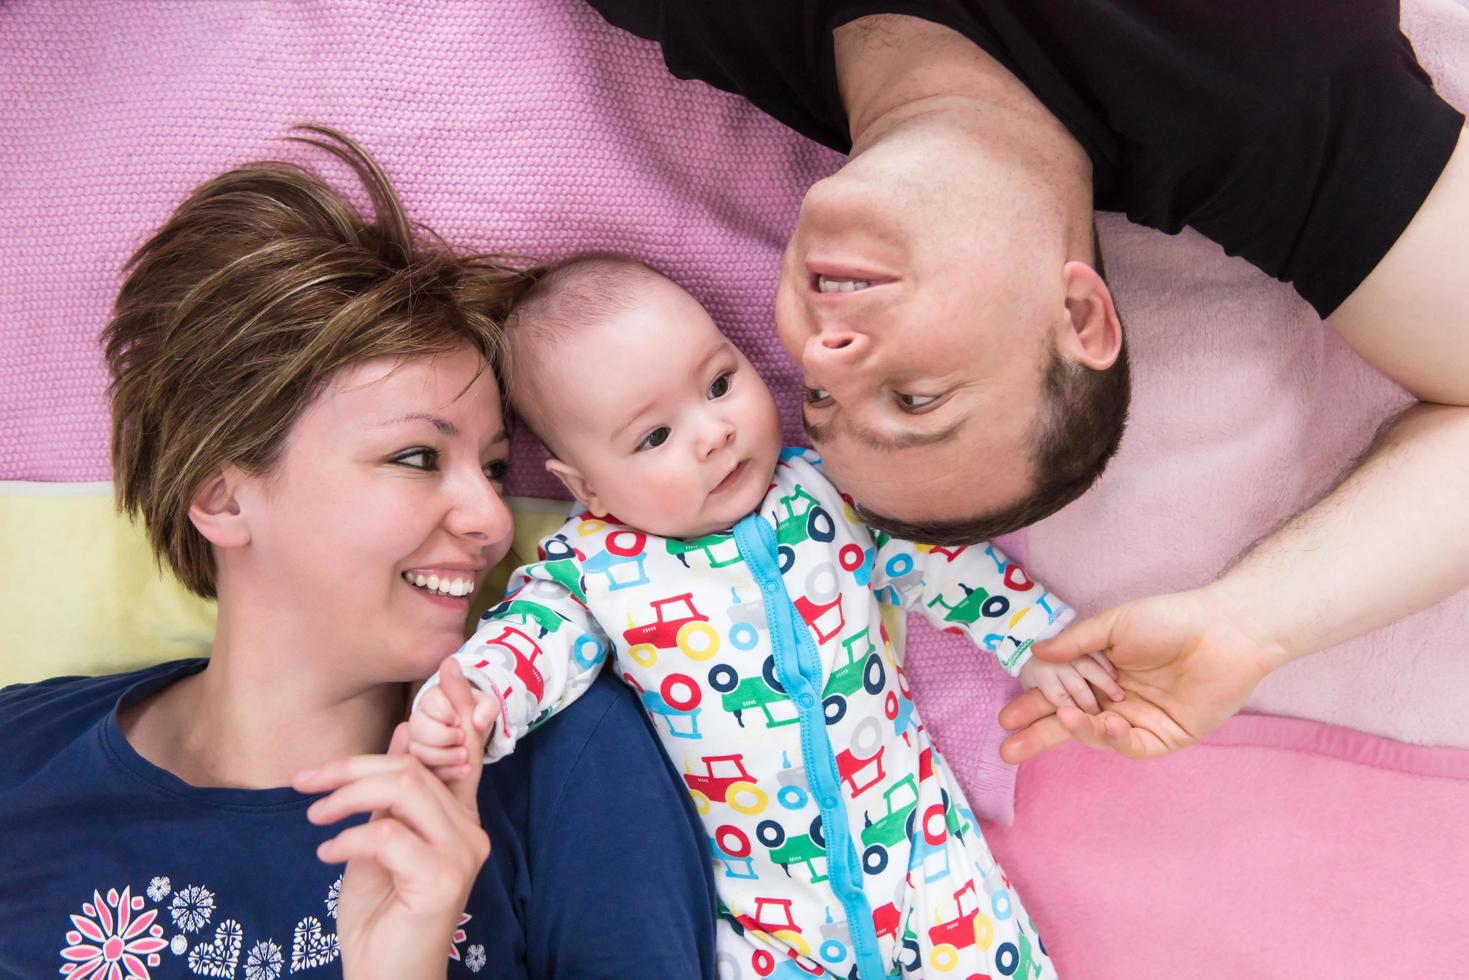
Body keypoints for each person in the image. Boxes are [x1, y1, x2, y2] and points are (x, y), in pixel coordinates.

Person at [581, 1, 1469, 765]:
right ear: (1079, 317)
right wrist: (1251, 625)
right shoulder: (1253, 103)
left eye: (819, 401)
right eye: (916, 399)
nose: (821, 358)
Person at [0, 130, 715, 979]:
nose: (490, 517)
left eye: (493, 468)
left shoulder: (567, 766)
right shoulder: (18, 757)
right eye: (416, 456)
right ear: (224, 497)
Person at [407, 255, 1123, 978]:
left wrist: (1038, 639)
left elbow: (944, 563)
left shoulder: (829, 491)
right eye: (654, 436)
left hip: (926, 864)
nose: (713, 432)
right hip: (766, 922)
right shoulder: (592, 570)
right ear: (587, 485)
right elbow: (530, 642)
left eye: (719, 383)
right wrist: (474, 700)